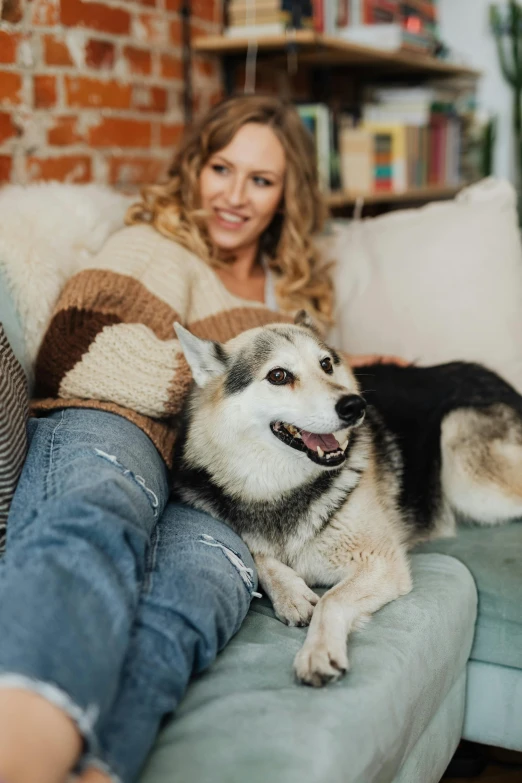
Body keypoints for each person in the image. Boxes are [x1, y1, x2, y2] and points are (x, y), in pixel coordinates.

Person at [0, 94, 406, 783]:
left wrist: (362, 372)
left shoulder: (291, 290)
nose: (235, 196)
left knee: (198, 593)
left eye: (261, 179)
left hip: (212, 491)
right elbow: (73, 347)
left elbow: (300, 391)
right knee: (93, 523)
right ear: (194, 167)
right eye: (222, 167)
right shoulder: (153, 244)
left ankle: (95, 769)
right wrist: (217, 395)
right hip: (115, 424)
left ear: (287, 195)